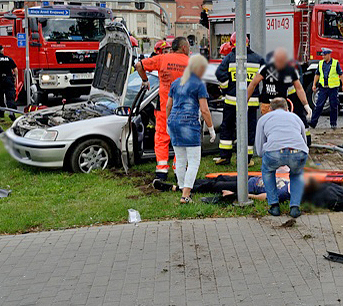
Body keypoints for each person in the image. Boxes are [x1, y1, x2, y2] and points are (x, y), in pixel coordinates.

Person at [135, 36, 190, 180]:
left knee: (161, 137)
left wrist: (145, 81)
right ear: (184, 48)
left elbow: (139, 65)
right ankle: (179, 170)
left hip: (164, 107)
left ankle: (161, 170)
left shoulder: (162, 59)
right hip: (183, 108)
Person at [165, 54, 216, 204]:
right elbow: (205, 110)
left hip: (174, 122)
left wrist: (169, 123)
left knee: (180, 159)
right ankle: (185, 195)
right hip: (189, 124)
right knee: (194, 161)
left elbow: (168, 106)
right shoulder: (199, 84)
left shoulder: (176, 83)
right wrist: (211, 129)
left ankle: (183, 188)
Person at [256, 97, 310, 218]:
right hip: (298, 151)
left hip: (274, 152)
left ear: (270, 109)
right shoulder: (295, 117)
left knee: (268, 171)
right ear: (287, 108)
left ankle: (274, 206)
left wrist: (264, 156)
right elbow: (304, 140)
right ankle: (295, 207)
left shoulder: (264, 119)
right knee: (297, 174)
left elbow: (259, 146)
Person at [214, 34, 264, 166]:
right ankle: (247, 159)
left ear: (232, 44)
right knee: (249, 129)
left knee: (228, 127)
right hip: (251, 101)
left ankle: (225, 156)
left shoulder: (230, 58)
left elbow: (220, 74)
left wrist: (225, 89)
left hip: (232, 100)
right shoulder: (258, 59)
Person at [153, 173, 320, 203]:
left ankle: (175, 188)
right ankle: (186, 183)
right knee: (219, 179)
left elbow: (266, 197)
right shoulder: (292, 184)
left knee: (214, 186)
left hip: (246, 186)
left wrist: (240, 195)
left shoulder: (286, 195)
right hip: (251, 178)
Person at [246, 48, 311, 119]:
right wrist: (245, 101)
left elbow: (299, 88)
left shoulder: (290, 70)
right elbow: (253, 84)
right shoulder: (266, 68)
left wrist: (306, 105)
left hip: (282, 105)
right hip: (268, 104)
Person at [309, 48, 343, 129]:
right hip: (323, 88)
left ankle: (333, 123)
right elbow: (317, 74)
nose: (323, 57)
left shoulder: (335, 63)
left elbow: (341, 74)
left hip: (333, 88)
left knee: (334, 106)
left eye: (324, 55)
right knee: (319, 105)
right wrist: (314, 84)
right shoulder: (321, 63)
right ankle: (313, 122)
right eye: (322, 55)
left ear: (329, 54)